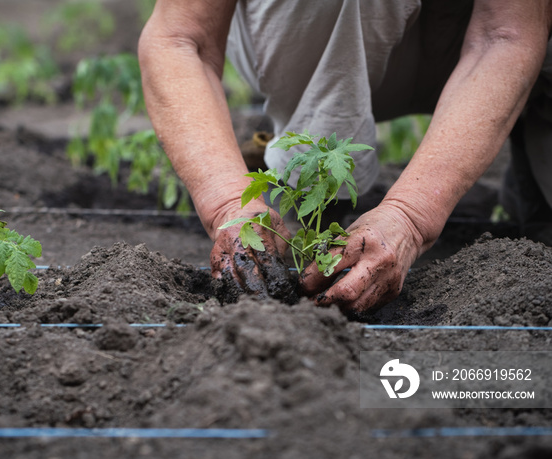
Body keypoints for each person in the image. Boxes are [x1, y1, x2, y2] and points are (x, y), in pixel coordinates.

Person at [138, 0, 552, 313]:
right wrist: (228, 205)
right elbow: (179, 38)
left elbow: (506, 34)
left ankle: (533, 106)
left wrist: (410, 217)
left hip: (469, 41)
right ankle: (314, 199)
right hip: (309, 28)